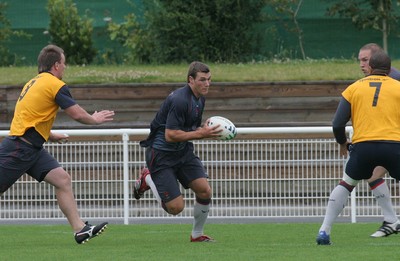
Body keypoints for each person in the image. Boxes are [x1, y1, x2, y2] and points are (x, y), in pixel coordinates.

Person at [0, 44, 115, 244]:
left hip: (31, 147)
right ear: (55, 65)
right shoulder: (54, 84)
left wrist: (49, 134)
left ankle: (80, 230)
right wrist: (94, 119)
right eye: (64, 63)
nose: (65, 67)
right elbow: (77, 114)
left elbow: (28, 116)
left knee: (62, 180)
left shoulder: (33, 82)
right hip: (20, 148)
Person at [316, 50, 400, 245]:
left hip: (364, 147)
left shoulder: (354, 88)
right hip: (394, 146)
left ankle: (324, 231)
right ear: (389, 70)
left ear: (370, 67)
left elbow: (338, 123)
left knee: (346, 184)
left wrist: (342, 142)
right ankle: (391, 220)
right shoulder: (398, 87)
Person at [133, 61, 222, 242]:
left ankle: (197, 235)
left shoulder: (200, 99)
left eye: (209, 79)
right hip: (162, 155)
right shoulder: (180, 100)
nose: (207, 84)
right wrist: (201, 134)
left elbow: (189, 128)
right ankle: (147, 178)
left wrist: (204, 129)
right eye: (203, 80)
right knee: (175, 208)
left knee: (204, 190)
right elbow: (170, 135)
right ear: (191, 80)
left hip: (183, 152)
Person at [354, 43, 400, 238]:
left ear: (376, 60)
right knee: (373, 175)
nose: (362, 65)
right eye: (360, 61)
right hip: (385, 140)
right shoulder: (369, 81)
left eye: (365, 60)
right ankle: (391, 221)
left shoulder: (395, 79)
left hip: (394, 139)